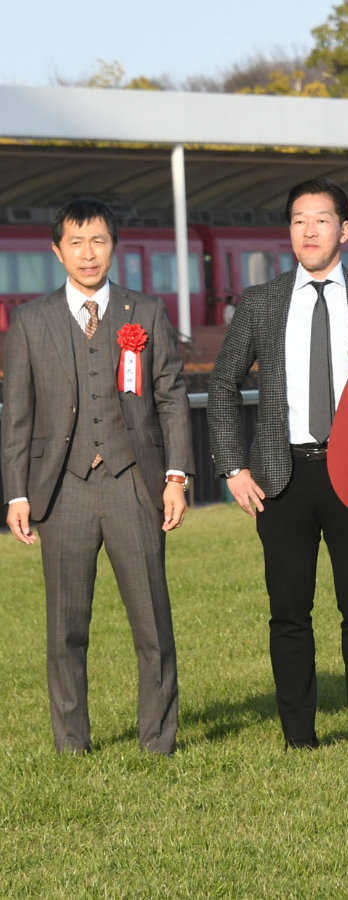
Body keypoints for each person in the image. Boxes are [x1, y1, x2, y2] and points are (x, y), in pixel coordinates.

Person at [207, 178, 348, 755]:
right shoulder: (262, 302)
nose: (308, 231)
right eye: (298, 220)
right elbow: (221, 385)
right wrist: (232, 467)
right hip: (280, 474)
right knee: (288, 613)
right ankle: (300, 737)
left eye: (321, 220)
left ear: (344, 230)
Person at [2, 198, 192, 755]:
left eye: (99, 241)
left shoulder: (146, 311)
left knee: (152, 624)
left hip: (135, 485)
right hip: (62, 492)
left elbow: (172, 400)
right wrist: (16, 492)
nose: (89, 254)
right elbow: (17, 413)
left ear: (114, 245)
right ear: (57, 249)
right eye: (77, 243)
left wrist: (175, 477)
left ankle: (158, 741)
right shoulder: (32, 321)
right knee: (65, 629)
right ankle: (71, 744)